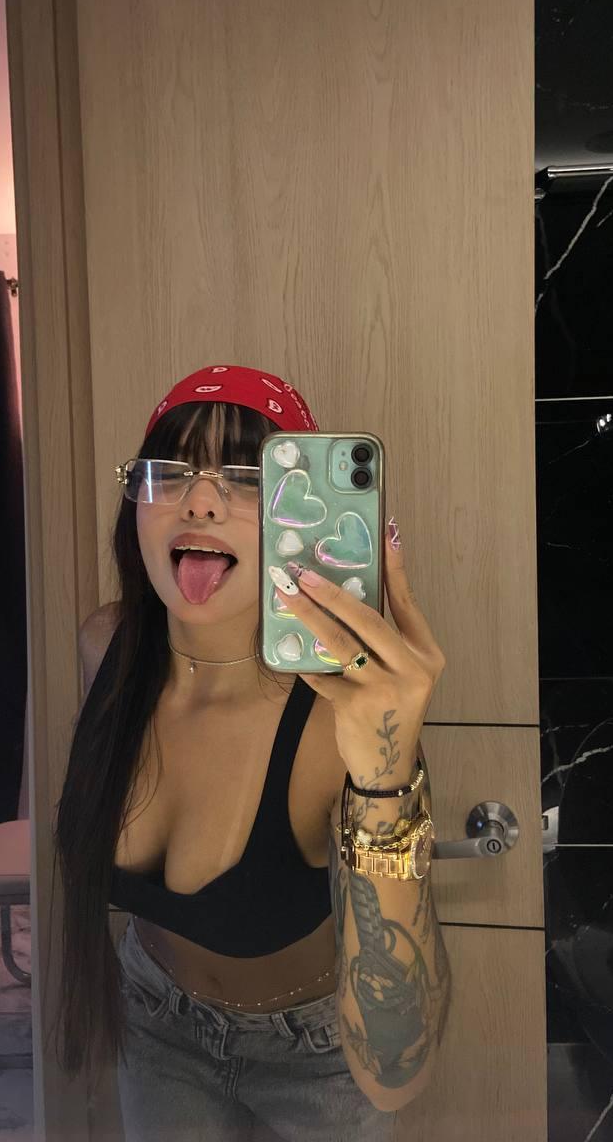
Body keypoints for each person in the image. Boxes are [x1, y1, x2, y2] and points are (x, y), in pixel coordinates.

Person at [51, 365, 450, 1141]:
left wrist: (387, 774)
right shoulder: (108, 646)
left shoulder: (341, 712)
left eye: (246, 477)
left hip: (317, 1053)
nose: (200, 500)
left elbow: (394, 1071)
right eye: (171, 471)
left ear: (305, 515)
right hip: (154, 1017)